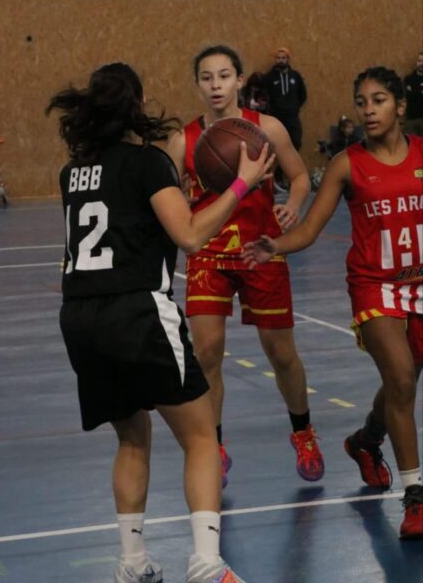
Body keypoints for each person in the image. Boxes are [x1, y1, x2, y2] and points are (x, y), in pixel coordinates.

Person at [46, 62, 274, 583]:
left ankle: (132, 563)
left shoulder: (71, 172)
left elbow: (120, 224)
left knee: (131, 439)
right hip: (136, 312)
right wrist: (241, 184)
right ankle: (207, 562)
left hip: (79, 317)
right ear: (138, 104)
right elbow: (190, 236)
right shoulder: (148, 162)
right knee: (201, 438)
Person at [243, 66, 423, 539]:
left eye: (379, 100)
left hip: (420, 284)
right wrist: (275, 246)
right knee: (401, 378)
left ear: (401, 106)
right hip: (374, 286)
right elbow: (308, 229)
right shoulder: (347, 164)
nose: (368, 110)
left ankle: (366, 440)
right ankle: (415, 498)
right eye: (361, 102)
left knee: (402, 384)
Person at [167, 44, 324, 489]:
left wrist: (292, 206)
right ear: (197, 85)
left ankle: (303, 431)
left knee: (281, 354)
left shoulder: (267, 128)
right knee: (207, 353)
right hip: (208, 254)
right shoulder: (183, 140)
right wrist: (180, 200)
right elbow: (168, 195)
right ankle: (213, 447)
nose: (215, 85)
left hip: (261, 250)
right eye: (206, 78)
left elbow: (299, 176)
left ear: (239, 80)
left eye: (223, 76)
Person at [264, 47, 307, 151]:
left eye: (283, 58)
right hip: (276, 117)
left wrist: (294, 107)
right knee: (275, 144)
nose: (281, 60)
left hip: (292, 116)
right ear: (275, 59)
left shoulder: (295, 76)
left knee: (296, 142)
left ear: (288, 59)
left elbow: (303, 95)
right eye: (278, 58)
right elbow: (264, 95)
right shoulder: (269, 77)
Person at [403, 51, 423, 136]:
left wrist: (413, 92)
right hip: (411, 120)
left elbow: (413, 96)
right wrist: (420, 93)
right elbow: (407, 97)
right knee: (411, 143)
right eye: (419, 61)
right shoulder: (408, 79)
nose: (421, 64)